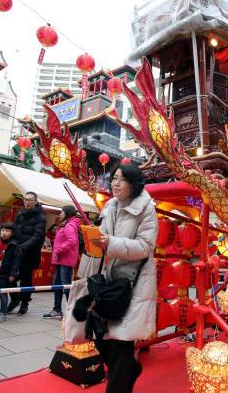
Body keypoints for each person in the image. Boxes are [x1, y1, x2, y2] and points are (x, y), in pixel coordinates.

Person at [90, 164, 158, 393]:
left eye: (121, 179)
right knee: (101, 337)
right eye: (114, 178)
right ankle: (131, 369)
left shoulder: (147, 209)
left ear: (134, 183)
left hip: (135, 283)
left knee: (121, 343)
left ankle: (122, 379)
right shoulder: (109, 206)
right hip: (111, 281)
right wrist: (94, 239)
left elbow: (145, 247)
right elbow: (103, 237)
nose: (115, 183)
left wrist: (110, 242)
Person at [8, 191, 46, 316]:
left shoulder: (41, 217)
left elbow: (37, 236)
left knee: (26, 280)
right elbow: (13, 230)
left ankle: (24, 304)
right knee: (9, 277)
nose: (27, 202)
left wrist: (22, 247)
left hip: (30, 254)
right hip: (16, 252)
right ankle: (14, 300)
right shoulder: (20, 214)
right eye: (25, 199)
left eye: (30, 200)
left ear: (35, 201)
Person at [43, 205, 81, 319]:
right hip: (61, 259)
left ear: (68, 213)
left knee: (65, 286)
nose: (60, 214)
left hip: (65, 260)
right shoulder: (66, 224)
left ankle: (72, 312)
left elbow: (72, 241)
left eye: (62, 212)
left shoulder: (70, 225)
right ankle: (57, 310)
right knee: (58, 285)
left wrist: (59, 250)